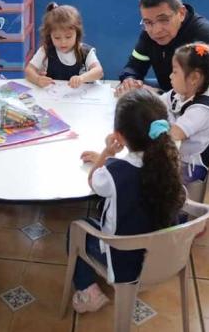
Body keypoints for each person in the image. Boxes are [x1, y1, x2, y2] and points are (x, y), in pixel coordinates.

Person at [71, 89, 186, 313]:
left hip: (125, 264)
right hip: (164, 258)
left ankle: (88, 292)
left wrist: (106, 152)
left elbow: (93, 180)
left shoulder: (114, 172)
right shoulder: (169, 162)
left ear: (119, 136)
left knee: (76, 230)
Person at [117, 0, 209, 115]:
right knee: (130, 90)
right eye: (148, 22)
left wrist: (158, 95)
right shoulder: (149, 33)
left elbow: (201, 94)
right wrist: (129, 80)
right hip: (174, 88)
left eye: (164, 20)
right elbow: (134, 66)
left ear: (181, 13)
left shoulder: (205, 40)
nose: (155, 30)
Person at [160, 42, 209, 184]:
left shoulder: (202, 110)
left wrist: (154, 125)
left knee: (156, 177)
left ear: (194, 78)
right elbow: (156, 103)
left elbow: (174, 134)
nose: (170, 76)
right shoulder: (180, 94)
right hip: (181, 156)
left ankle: (171, 204)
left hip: (197, 165)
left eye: (175, 72)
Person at [25, 2, 103, 88]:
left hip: (81, 98)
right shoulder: (46, 50)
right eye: (57, 38)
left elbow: (99, 72)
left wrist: (82, 78)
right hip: (54, 98)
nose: (63, 42)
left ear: (77, 34)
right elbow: (29, 70)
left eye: (68, 37)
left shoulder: (85, 52)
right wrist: (37, 79)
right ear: (49, 35)